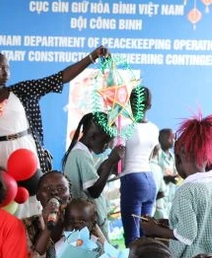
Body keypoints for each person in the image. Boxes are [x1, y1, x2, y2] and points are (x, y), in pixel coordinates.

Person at [0, 46, 109, 183]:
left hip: (26, 151)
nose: (6, 73)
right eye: (0, 68)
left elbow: (60, 78)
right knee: (4, 197)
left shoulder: (21, 91)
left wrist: (92, 57)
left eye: (7, 68)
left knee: (33, 197)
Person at [141, 113, 212, 258]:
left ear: (179, 156)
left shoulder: (187, 190)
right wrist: (168, 224)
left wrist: (154, 229)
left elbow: (187, 235)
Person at [62, 112, 124, 238]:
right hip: (86, 223)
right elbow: (94, 191)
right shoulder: (81, 155)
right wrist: (111, 162)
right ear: (92, 137)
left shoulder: (81, 152)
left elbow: (92, 182)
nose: (106, 147)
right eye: (105, 142)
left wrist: (108, 166)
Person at [120, 87, 159, 245]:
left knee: (132, 236)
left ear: (130, 103)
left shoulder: (126, 128)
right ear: (149, 105)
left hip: (132, 180)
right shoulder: (154, 128)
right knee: (145, 234)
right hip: (150, 181)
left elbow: (120, 162)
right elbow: (152, 154)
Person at [156, 128, 179, 219]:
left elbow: (176, 174)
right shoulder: (156, 154)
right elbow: (154, 174)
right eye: (171, 138)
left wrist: (176, 178)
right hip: (159, 197)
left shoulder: (173, 158)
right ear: (162, 138)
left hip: (170, 197)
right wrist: (165, 178)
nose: (173, 141)